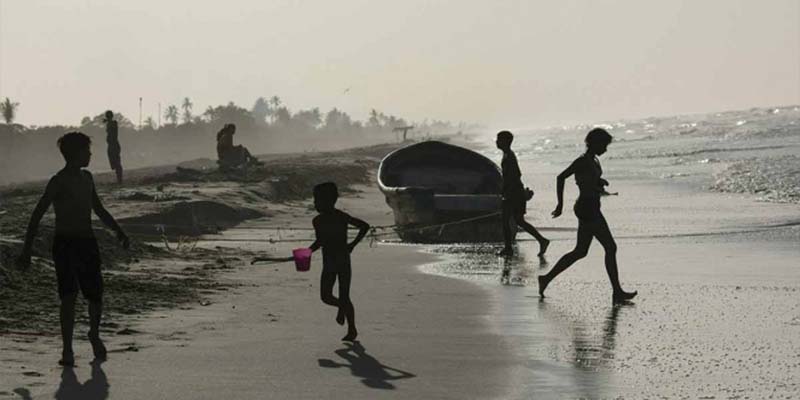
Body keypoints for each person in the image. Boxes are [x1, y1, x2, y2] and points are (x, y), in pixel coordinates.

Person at [17, 132, 130, 366]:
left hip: (87, 242)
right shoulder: (58, 181)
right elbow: (36, 215)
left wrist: (118, 231)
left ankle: (94, 334)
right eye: (86, 151)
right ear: (75, 153)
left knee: (95, 295)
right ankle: (67, 349)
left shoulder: (87, 178)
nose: (90, 154)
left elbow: (98, 209)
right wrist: (26, 250)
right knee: (68, 296)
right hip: (65, 244)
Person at [537, 128, 637, 304]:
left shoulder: (594, 160)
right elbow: (561, 177)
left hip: (590, 207)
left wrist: (599, 182)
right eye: (603, 145)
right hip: (587, 208)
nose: (605, 149)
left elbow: (588, 180)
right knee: (610, 247)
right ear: (594, 143)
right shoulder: (582, 161)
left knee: (580, 251)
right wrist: (560, 205)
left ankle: (545, 279)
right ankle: (617, 292)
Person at [308, 182, 370, 341]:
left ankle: (352, 329)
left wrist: (352, 245)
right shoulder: (319, 220)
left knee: (342, 296)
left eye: (318, 200)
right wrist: (306, 252)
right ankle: (342, 307)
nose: (315, 204)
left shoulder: (339, 217)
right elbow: (320, 241)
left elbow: (364, 226)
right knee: (327, 296)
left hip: (340, 261)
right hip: (333, 261)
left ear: (330, 201)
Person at [495, 130, 549, 257]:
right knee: (518, 220)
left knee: (506, 220)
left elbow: (515, 176)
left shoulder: (509, 156)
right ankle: (542, 240)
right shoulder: (507, 155)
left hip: (513, 193)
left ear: (505, 141)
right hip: (515, 192)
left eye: (499, 139)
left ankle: (508, 248)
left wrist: (508, 191)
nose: (496, 142)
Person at [104, 111, 123, 184]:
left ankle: (119, 179)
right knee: (114, 161)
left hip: (114, 145)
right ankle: (119, 178)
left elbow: (112, 125)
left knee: (117, 162)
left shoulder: (113, 123)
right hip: (111, 145)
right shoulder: (109, 123)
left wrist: (107, 121)